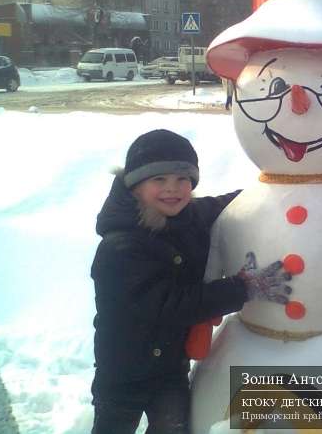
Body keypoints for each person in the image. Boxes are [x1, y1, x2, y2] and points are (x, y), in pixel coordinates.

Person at [90, 129, 292, 434]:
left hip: (170, 369)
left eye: (182, 180)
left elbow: (227, 205)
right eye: (159, 179)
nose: (172, 189)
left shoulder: (187, 215)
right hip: (122, 375)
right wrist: (243, 287)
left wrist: (269, 191)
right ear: (135, 185)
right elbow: (170, 305)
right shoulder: (120, 247)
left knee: (173, 429)